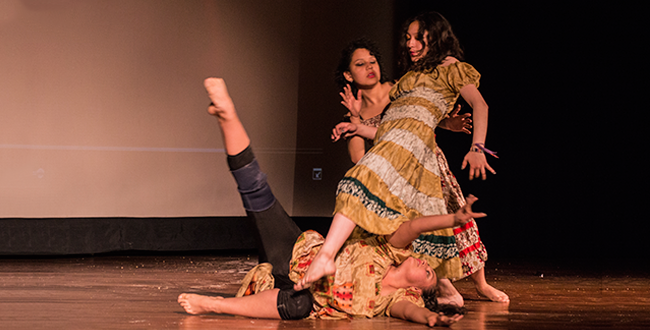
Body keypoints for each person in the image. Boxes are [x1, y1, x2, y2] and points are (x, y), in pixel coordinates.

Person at [177, 77, 480, 326]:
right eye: (430, 266)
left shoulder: (396, 299)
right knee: (255, 188)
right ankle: (227, 115)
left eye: (427, 272)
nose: (425, 263)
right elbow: (413, 226)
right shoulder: (391, 250)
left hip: (299, 294)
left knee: (300, 305)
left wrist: (430, 317)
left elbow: (411, 313)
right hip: (297, 251)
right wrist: (453, 220)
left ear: (416, 288)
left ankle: (216, 304)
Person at [294, 13, 502, 304]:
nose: (411, 44)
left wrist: (477, 146)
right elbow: (397, 122)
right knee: (401, 214)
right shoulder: (408, 79)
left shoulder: (450, 67)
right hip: (394, 144)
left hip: (416, 150)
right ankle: (438, 289)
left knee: (440, 218)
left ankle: (328, 256)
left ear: (437, 35)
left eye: (419, 37)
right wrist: (356, 125)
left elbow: (480, 104)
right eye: (408, 38)